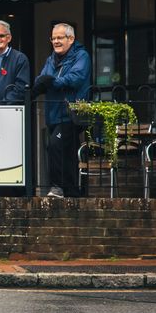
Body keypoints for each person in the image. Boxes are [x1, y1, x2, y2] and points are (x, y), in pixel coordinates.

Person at [31, 22, 91, 198]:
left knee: (55, 146)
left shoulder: (81, 56)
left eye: (60, 38)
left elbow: (76, 78)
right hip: (53, 113)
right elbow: (42, 78)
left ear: (71, 39)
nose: (56, 41)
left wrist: (52, 82)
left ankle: (57, 186)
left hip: (71, 113)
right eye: (53, 38)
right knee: (68, 152)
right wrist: (42, 83)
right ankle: (73, 192)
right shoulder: (51, 59)